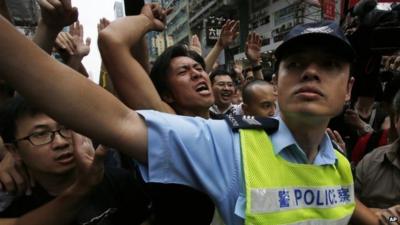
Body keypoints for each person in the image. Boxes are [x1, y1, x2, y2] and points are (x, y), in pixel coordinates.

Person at [0, 3, 380, 224]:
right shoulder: (226, 143)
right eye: (296, 63)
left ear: (348, 90)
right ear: (276, 84)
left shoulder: (340, 164)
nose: (311, 72)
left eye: (329, 64)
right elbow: (115, 118)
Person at [0, 96, 152, 225]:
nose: (60, 142)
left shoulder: (119, 181)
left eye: (66, 127)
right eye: (40, 134)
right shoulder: (12, 204)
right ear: (14, 150)